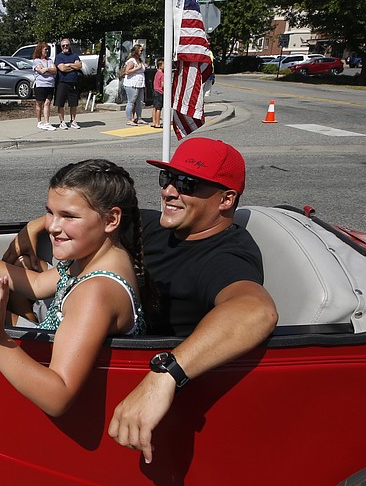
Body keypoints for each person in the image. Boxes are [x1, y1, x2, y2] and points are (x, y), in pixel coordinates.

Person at [108, 137, 278, 462]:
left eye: (187, 183)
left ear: (226, 199)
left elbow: (257, 311)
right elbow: (85, 216)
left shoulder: (226, 256)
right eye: (167, 178)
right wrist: (33, 233)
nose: (169, 191)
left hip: (144, 387)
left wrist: (164, 376)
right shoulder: (158, 227)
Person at [0, 159, 150, 417]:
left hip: (76, 406)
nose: (52, 226)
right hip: (54, 339)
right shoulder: (96, 256)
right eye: (50, 213)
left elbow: (58, 397)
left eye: (68, 216)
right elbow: (39, 285)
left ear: (111, 219)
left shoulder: (95, 293)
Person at [53, 38, 83, 130]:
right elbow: (62, 68)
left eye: (67, 45)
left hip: (73, 82)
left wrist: (68, 65)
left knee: (73, 104)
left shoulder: (74, 56)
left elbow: (79, 65)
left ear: (69, 46)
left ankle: (72, 121)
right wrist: (73, 66)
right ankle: (62, 122)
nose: (65, 47)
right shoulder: (59, 57)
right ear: (61, 47)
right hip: (62, 82)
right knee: (60, 103)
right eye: (63, 45)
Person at [31, 41, 56, 131]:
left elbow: (55, 71)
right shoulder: (36, 61)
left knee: (47, 103)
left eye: (47, 49)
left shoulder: (50, 60)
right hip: (40, 85)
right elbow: (41, 71)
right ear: (40, 50)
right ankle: (39, 122)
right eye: (45, 49)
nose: (47, 51)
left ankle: (47, 122)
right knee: (39, 103)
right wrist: (48, 70)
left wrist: (47, 69)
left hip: (50, 85)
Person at [122, 44, 147, 125]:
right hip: (132, 83)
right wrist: (137, 68)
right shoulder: (132, 60)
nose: (141, 52)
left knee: (140, 102)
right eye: (140, 50)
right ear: (136, 51)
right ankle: (129, 119)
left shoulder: (139, 60)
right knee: (131, 101)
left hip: (140, 84)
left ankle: (139, 118)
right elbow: (127, 71)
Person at [150, 59, 165, 129]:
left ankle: (154, 122)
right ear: (160, 66)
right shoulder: (162, 74)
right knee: (159, 108)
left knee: (154, 107)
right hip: (159, 92)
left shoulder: (156, 73)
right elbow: (162, 85)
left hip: (155, 91)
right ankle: (158, 123)